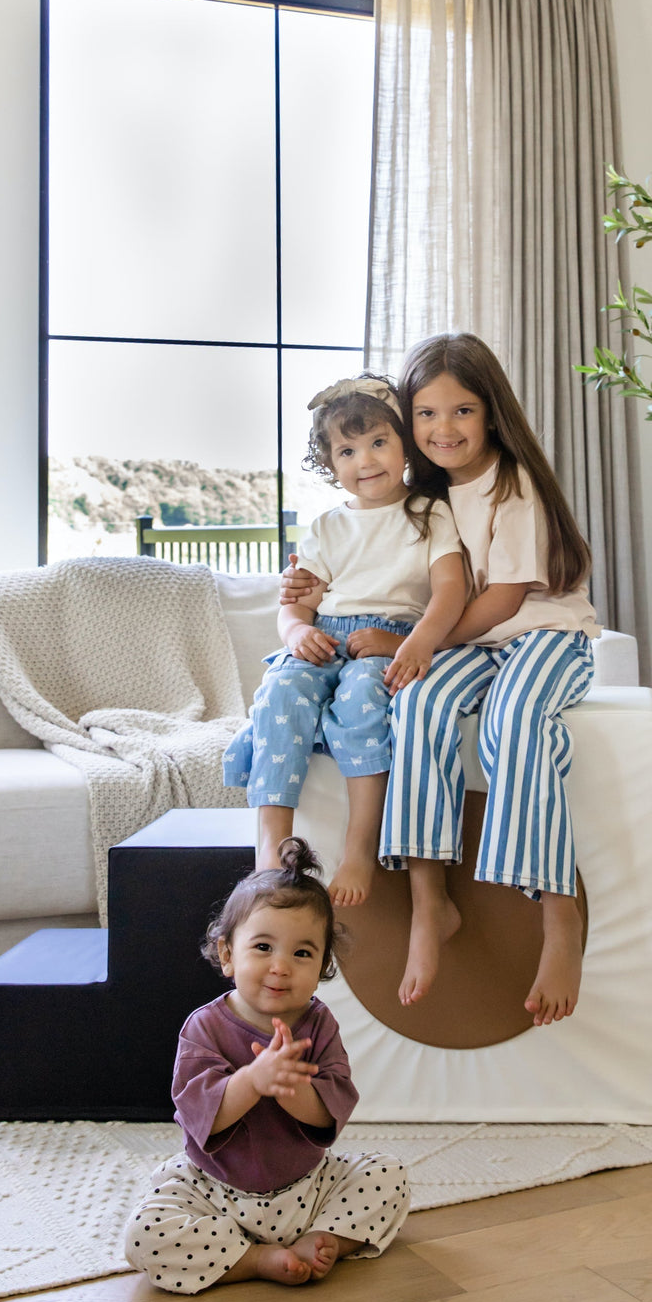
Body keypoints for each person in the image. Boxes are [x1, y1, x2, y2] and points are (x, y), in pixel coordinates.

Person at [282, 333, 599, 1027]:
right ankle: (432, 902)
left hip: (540, 634)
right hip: (466, 645)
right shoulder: (418, 497)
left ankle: (558, 912)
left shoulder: (513, 489)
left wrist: (409, 640)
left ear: (491, 414)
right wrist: (308, 589)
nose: (442, 429)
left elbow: (504, 602)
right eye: (426, 414)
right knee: (416, 702)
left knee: (514, 720)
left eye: (460, 411)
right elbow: (364, 561)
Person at [124, 837, 410, 1293]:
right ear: (226, 955)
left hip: (308, 1186)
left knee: (388, 1174)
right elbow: (204, 1117)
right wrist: (255, 1080)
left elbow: (331, 1110)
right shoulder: (204, 1028)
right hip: (215, 1191)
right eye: (262, 947)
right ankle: (254, 1260)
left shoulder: (319, 1024)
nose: (281, 966)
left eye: (302, 953)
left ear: (322, 967)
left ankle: (323, 1239)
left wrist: (293, 1089)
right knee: (145, 1236)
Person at [223, 374, 466, 906]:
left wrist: (413, 643)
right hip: (324, 639)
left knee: (361, 699)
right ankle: (271, 846)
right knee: (281, 693)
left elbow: (452, 590)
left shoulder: (429, 514)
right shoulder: (327, 527)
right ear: (332, 466)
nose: (366, 460)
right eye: (347, 451)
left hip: (389, 637)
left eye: (379, 442)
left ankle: (360, 847)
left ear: (404, 444)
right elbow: (295, 605)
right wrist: (299, 631)